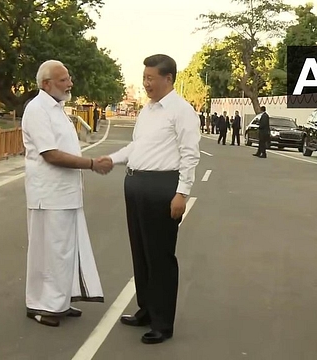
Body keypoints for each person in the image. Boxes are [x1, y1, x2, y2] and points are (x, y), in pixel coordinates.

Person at [99, 54, 200, 344]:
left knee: (160, 257)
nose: (146, 83)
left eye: (151, 78)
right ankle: (146, 307)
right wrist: (112, 159)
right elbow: (137, 147)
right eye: (144, 78)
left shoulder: (181, 111)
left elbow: (190, 154)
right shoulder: (148, 110)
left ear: (168, 78)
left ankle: (162, 322)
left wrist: (182, 193)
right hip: (136, 183)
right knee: (141, 253)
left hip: (162, 187)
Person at [22, 59, 110, 327]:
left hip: (66, 193)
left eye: (69, 78)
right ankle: (41, 305)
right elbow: (51, 154)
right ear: (46, 84)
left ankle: (59, 300)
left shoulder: (57, 108)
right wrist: (92, 164)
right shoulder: (37, 109)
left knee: (64, 250)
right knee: (48, 251)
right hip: (48, 196)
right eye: (63, 80)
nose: (70, 83)